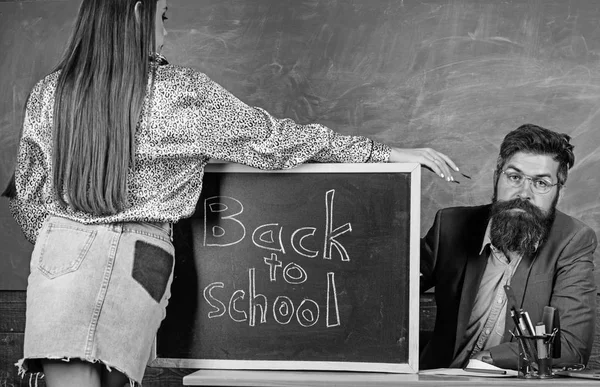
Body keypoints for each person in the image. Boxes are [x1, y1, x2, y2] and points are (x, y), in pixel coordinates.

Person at [2, 0, 460, 385]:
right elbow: (275, 141)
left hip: (58, 253)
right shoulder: (180, 94)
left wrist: (64, 241)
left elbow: (28, 195)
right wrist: (382, 151)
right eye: (162, 15)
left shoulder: (49, 92)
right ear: (139, 14)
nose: (166, 30)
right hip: (136, 257)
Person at [419, 124, 597, 371]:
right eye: (514, 177)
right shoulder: (450, 226)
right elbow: (388, 286)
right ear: (496, 177)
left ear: (559, 192)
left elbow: (569, 347)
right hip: (433, 379)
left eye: (541, 183)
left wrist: (485, 360)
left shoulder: (573, 240)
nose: (523, 192)